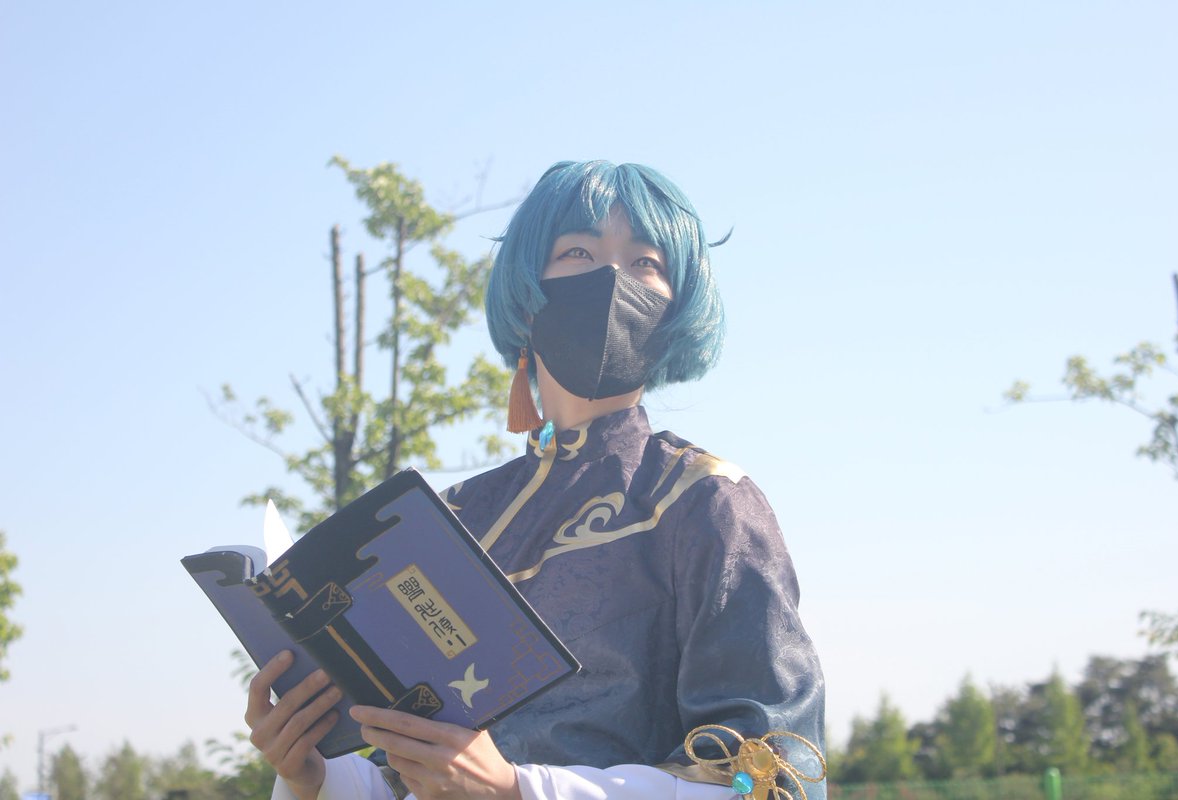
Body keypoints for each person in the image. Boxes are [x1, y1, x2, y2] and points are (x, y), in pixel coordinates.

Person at [246, 161, 826, 800]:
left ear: (676, 307)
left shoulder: (707, 502)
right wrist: (314, 775)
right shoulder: (452, 516)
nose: (611, 278)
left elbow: (773, 779)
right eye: (578, 252)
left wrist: (520, 789)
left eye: (645, 262)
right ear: (526, 292)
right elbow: (401, 767)